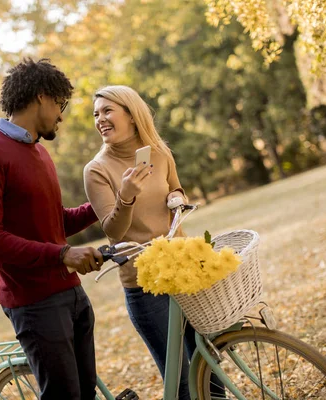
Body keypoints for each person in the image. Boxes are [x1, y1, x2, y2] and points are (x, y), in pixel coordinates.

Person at [0, 58, 103, 400]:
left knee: (85, 393)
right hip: (34, 302)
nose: (61, 115)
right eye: (60, 104)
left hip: (71, 294)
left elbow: (55, 224)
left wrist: (108, 203)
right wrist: (63, 254)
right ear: (41, 97)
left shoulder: (39, 152)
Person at [83, 85, 224, 399]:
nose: (100, 119)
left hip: (184, 269)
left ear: (132, 116)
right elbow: (114, 230)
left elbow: (177, 189)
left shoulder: (159, 152)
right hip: (144, 284)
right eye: (96, 114)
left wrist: (176, 197)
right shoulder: (96, 170)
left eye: (107, 111)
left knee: (210, 364)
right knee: (182, 383)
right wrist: (127, 195)